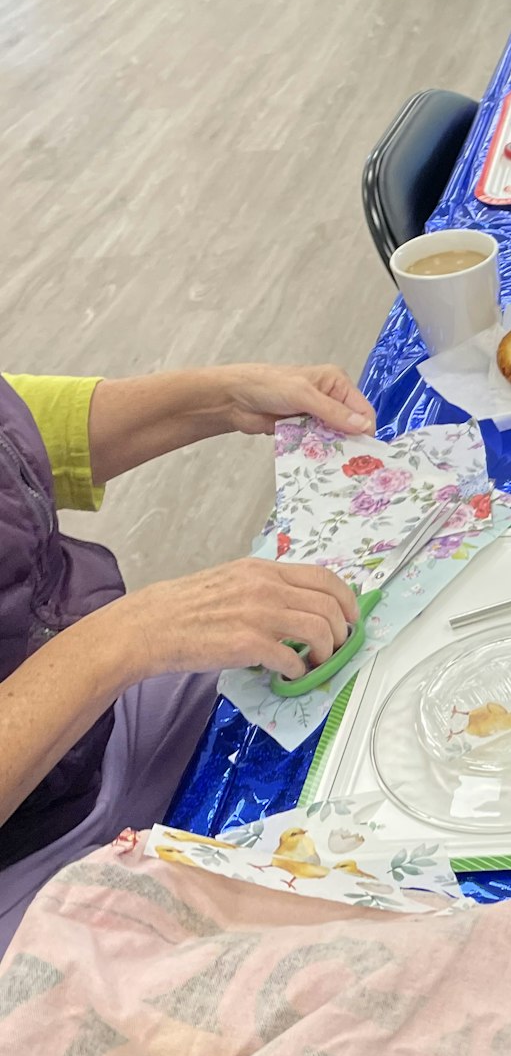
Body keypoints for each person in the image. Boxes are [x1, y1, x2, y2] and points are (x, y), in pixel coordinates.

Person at [0, 362, 372, 954]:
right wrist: (131, 637)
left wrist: (222, 399)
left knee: (363, 663)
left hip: (97, 723)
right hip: (22, 858)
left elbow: (20, 440)